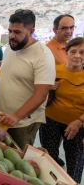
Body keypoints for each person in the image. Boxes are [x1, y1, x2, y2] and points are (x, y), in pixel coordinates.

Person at [0, 9, 56, 150]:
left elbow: (41, 95)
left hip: (22, 123)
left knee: (18, 161)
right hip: (1, 118)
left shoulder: (43, 55)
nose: (11, 36)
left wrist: (16, 116)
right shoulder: (11, 48)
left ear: (31, 31)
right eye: (10, 31)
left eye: (17, 32)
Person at [39, 37, 84, 183]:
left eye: (82, 52)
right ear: (67, 53)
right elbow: (38, 92)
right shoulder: (54, 71)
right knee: (48, 159)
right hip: (50, 121)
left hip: (77, 126)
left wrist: (79, 122)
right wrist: (47, 87)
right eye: (73, 52)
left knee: (75, 162)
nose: (77, 56)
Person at [46, 14, 75, 167]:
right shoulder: (48, 50)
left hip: (72, 112)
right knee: (49, 153)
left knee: (73, 156)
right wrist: (46, 84)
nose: (68, 31)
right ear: (54, 29)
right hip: (52, 110)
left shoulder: (71, 48)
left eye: (71, 27)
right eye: (64, 28)